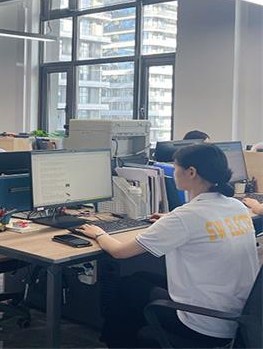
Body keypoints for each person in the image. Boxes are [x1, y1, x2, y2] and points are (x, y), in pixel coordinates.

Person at [76, 144, 258, 348]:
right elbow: (199, 223)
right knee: (139, 278)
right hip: (238, 319)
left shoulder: (186, 216)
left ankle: (120, 343)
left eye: (175, 167)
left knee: (128, 288)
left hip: (204, 324)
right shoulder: (235, 206)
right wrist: (170, 220)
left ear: (191, 172)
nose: (173, 172)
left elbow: (119, 252)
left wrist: (99, 233)